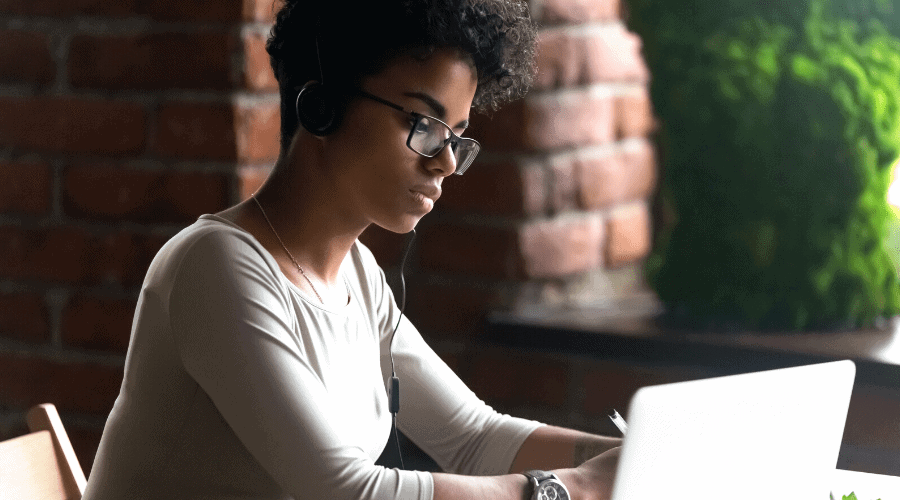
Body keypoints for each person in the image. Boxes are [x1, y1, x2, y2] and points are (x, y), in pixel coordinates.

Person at [82, 0, 622, 498]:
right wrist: (569, 489)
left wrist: (634, 457)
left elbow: (474, 437)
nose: (447, 163)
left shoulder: (358, 277)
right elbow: (347, 492)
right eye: (423, 124)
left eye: (456, 136)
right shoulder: (214, 268)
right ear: (323, 105)